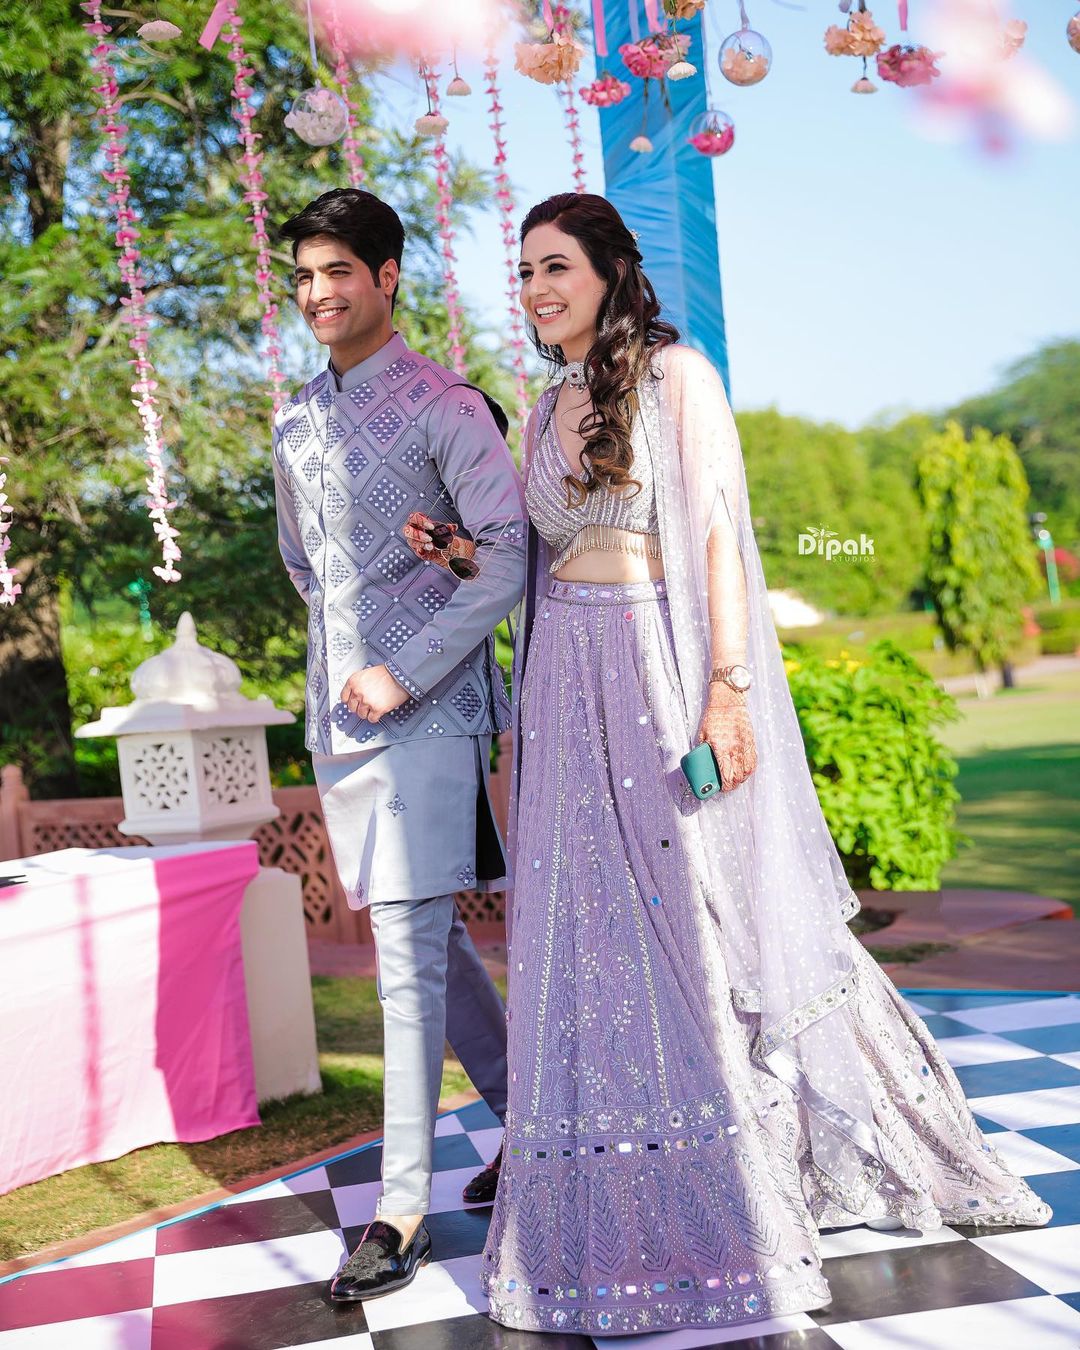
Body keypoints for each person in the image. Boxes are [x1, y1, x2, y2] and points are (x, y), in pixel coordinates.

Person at [403, 192, 1051, 1338]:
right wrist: (459, 551)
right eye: (526, 272)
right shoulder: (543, 406)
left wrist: (728, 691)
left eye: (558, 266)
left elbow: (716, 535)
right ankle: (622, 1184)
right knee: (589, 936)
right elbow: (535, 558)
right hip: (566, 693)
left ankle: (779, 1168)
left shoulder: (675, 380)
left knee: (707, 919)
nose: (539, 289)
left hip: (663, 666)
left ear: (609, 271)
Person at [271, 187, 526, 1303]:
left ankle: (403, 1208)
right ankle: (537, 1119)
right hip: (340, 717)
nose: (318, 294)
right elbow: (301, 565)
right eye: (304, 276)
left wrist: (405, 667)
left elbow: (506, 555)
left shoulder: (445, 408)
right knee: (423, 941)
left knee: (404, 964)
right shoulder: (292, 423)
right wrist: (343, 671)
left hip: (427, 711)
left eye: (338, 272)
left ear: (386, 276)